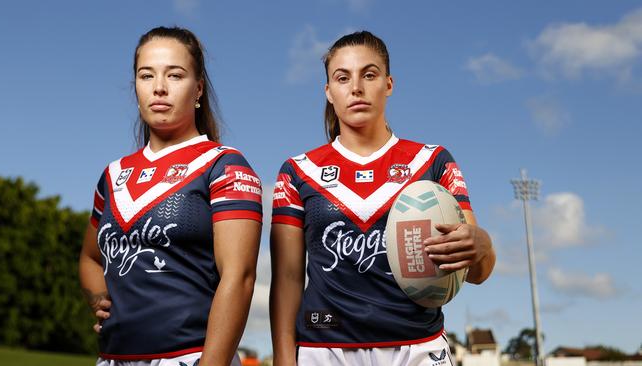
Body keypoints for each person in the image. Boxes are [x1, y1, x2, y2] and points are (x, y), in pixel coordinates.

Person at [269, 31, 495, 366]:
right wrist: (284, 360)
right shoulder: (298, 171)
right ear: (329, 92)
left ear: (388, 84)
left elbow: (477, 272)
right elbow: (287, 279)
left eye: (369, 74)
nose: (356, 88)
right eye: (342, 78)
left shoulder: (432, 161)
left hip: (417, 346)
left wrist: (482, 243)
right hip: (325, 349)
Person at [79, 26, 262, 366]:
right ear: (135, 87)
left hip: (189, 357)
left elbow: (240, 276)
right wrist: (99, 299)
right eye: (146, 75)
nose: (159, 87)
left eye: (174, 75)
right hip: (112, 358)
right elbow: (90, 258)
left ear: (198, 89)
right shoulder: (113, 175)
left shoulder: (224, 165)